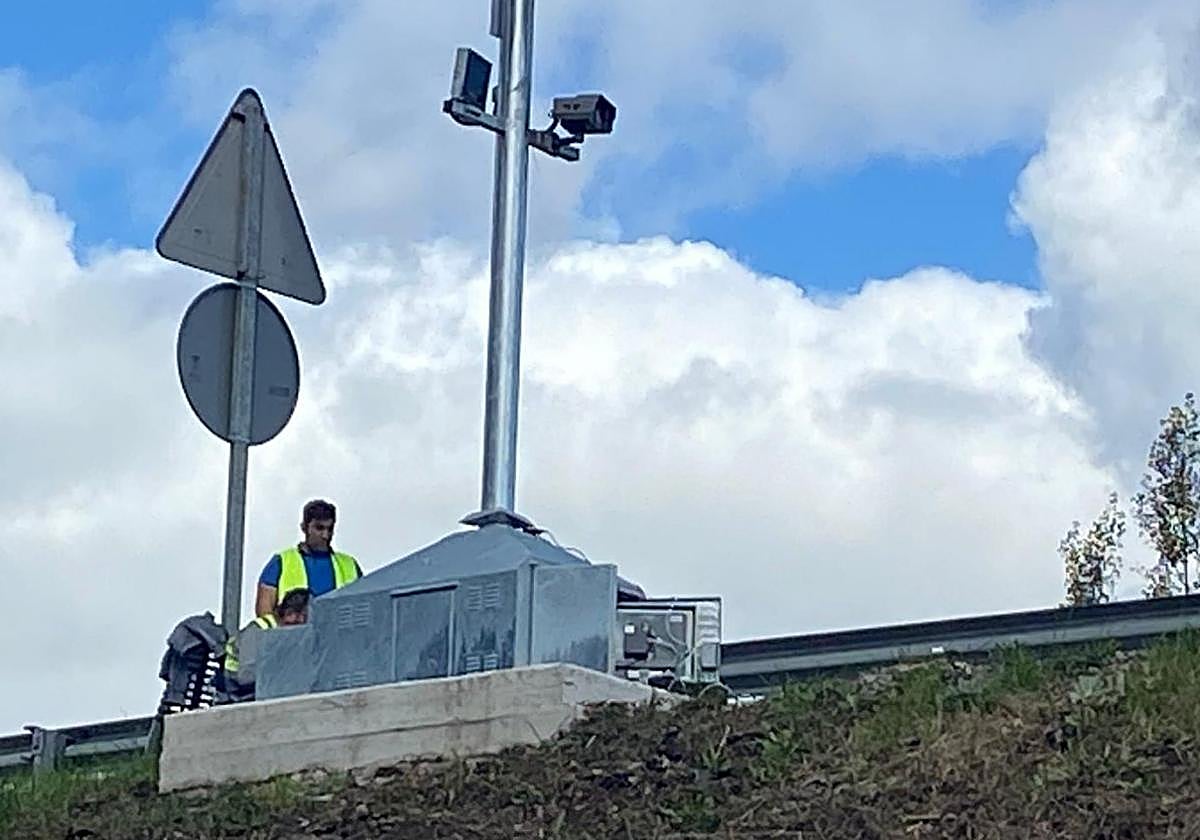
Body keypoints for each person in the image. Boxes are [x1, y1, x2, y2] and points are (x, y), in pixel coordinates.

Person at [255, 498, 362, 618]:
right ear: (304, 527)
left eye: (330, 529)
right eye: (319, 528)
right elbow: (264, 618)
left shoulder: (350, 565)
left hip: (339, 636)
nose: (325, 535)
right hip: (294, 635)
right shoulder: (280, 563)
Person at [222, 588, 311, 702]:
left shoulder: (287, 637)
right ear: (291, 615)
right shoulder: (259, 630)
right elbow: (246, 676)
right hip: (238, 697)